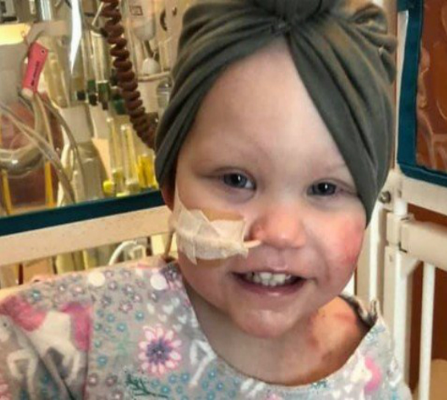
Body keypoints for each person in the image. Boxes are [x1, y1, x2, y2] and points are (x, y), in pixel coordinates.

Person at [0, 0, 412, 398]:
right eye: (236, 180)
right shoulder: (70, 337)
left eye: (324, 189)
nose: (280, 233)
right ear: (171, 186)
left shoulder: (371, 365)